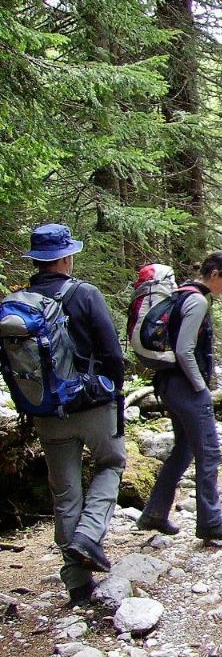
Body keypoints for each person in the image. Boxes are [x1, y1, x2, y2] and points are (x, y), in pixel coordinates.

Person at [18, 224, 126, 606]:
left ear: (36, 260)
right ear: (66, 257)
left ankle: (77, 585)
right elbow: (112, 353)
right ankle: (89, 535)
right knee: (110, 465)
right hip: (93, 406)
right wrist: (115, 389)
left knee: (65, 493)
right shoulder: (84, 294)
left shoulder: (19, 303)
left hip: (46, 411)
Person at [138, 251, 222, 541]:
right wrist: (201, 388)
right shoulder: (197, 300)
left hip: (169, 385)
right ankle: (210, 520)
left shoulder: (183, 294)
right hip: (185, 388)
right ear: (213, 275)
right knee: (209, 452)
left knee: (184, 449)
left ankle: (155, 513)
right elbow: (185, 350)